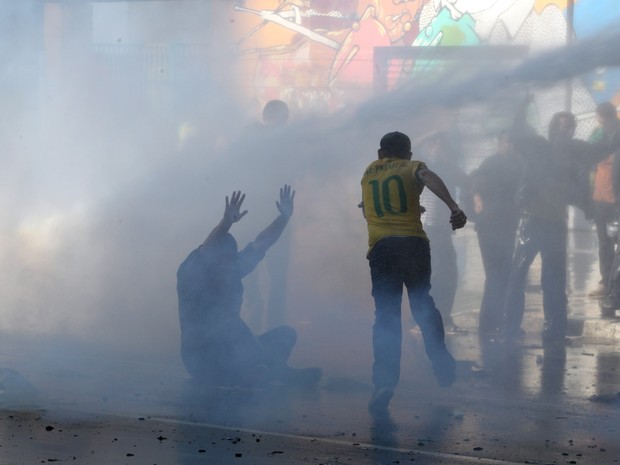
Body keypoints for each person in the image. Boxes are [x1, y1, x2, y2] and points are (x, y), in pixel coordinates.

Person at [360, 131, 467, 415]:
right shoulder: (412, 166)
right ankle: (439, 357)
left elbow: (367, 212)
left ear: (380, 153)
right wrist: (454, 207)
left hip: (382, 249)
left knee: (386, 315)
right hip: (413, 244)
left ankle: (384, 382)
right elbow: (428, 177)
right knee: (422, 303)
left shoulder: (369, 172)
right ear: (408, 154)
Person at [177, 185, 321, 388]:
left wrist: (284, 217)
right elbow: (207, 248)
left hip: (232, 351)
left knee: (286, 335)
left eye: (232, 259)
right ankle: (277, 373)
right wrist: (225, 223)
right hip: (201, 359)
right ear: (213, 258)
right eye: (224, 260)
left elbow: (261, 242)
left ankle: (256, 372)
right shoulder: (191, 272)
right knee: (231, 325)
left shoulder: (232, 269)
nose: (230, 265)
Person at [502, 96, 616, 346]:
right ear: (553, 129)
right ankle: (509, 328)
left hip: (556, 223)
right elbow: (518, 134)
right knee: (518, 274)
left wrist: (614, 124)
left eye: (569, 127)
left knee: (554, 280)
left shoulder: (576, 150)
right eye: (561, 126)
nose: (565, 131)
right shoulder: (539, 147)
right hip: (532, 220)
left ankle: (555, 332)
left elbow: (604, 148)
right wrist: (522, 103)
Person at [468, 132, 523, 339]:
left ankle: (499, 321)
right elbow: (475, 183)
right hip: (489, 225)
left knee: (504, 273)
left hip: (507, 225)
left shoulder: (518, 164)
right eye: (507, 142)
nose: (510, 146)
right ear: (499, 144)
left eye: (512, 142)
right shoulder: (491, 163)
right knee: (495, 274)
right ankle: (489, 323)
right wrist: (477, 199)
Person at [416, 131, 469, 334]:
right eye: (433, 144)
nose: (437, 147)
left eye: (441, 143)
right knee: (435, 272)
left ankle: (442, 317)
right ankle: (427, 319)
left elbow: (466, 182)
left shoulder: (448, 167)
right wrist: (433, 132)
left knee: (448, 271)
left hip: (442, 228)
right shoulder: (419, 167)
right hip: (425, 226)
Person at [587, 102, 620, 298]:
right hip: (600, 197)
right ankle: (606, 281)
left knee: (611, 242)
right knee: (604, 241)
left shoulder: (615, 135)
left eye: (602, 119)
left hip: (615, 197)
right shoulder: (597, 136)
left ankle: (612, 283)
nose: (601, 123)